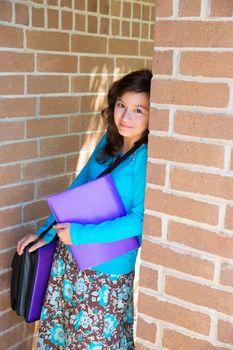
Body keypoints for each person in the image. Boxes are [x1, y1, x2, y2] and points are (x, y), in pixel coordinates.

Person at [17, 68, 152, 349]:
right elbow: (75, 193)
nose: (126, 117)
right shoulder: (110, 141)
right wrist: (45, 233)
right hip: (71, 258)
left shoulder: (146, 156)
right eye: (122, 106)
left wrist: (78, 235)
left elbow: (139, 221)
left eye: (139, 110)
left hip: (107, 272)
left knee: (95, 342)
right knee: (60, 337)